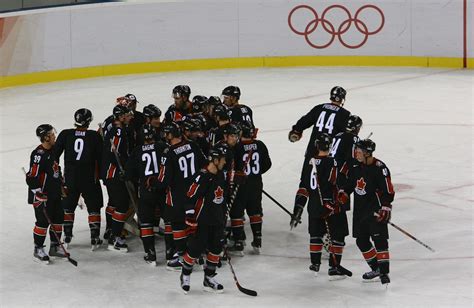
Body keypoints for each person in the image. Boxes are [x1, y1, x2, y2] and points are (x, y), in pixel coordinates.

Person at [290, 133, 351, 279]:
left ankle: (315, 264)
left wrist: (299, 207)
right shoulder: (332, 162)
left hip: (314, 206)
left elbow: (304, 188)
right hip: (330, 207)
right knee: (339, 235)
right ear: (330, 146)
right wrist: (332, 203)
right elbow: (335, 183)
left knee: (316, 234)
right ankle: (334, 267)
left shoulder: (309, 163)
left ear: (316, 146)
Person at [337, 139, 395, 285]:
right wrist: (344, 192)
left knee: (380, 241)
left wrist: (386, 207)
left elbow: (388, 190)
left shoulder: (380, 168)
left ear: (367, 153)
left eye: (359, 151)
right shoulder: (356, 166)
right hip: (360, 212)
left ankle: (384, 273)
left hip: (375, 211)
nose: (356, 152)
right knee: (361, 241)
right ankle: (376, 268)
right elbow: (350, 184)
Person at [154, 122, 206, 270]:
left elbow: (164, 180)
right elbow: (205, 165)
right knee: (194, 223)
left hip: (177, 196)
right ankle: (196, 253)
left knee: (178, 224)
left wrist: (153, 182)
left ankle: (182, 256)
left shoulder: (168, 153)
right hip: (195, 193)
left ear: (170, 135)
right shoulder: (193, 145)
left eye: (166, 134)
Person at [180, 144, 229, 294]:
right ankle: (185, 275)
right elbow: (189, 196)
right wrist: (190, 216)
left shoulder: (221, 175)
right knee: (195, 250)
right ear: (215, 160)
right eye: (222, 160)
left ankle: (209, 279)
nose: (225, 162)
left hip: (217, 220)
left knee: (216, 250)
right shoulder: (202, 176)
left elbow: (222, 197)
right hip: (202, 221)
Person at [54, 108, 104, 250]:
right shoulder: (94, 136)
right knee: (94, 208)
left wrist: (57, 176)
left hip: (71, 178)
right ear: (89, 121)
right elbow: (101, 158)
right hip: (89, 178)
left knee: (68, 207)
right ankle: (94, 238)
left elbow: (54, 156)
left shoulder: (65, 134)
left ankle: (67, 235)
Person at [125, 124, 168, 265]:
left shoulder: (137, 151)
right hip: (162, 190)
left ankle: (150, 254)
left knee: (146, 223)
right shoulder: (162, 146)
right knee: (169, 222)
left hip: (146, 192)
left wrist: (124, 175)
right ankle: (171, 253)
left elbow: (129, 175)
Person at [26, 124, 66, 263]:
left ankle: (55, 246)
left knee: (58, 219)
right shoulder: (38, 155)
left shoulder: (54, 150)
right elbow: (31, 176)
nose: (54, 136)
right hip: (43, 195)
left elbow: (56, 169)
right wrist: (38, 193)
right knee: (43, 222)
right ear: (46, 137)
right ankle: (38, 249)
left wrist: (61, 183)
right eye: (52, 134)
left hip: (54, 192)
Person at [230, 122, 272, 254]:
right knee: (255, 211)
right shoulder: (260, 145)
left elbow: (232, 167)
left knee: (236, 212)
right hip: (256, 183)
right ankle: (257, 239)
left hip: (240, 184)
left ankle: (238, 242)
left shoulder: (236, 147)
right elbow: (267, 164)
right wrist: (255, 174)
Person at [101, 105, 134, 252]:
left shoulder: (112, 129)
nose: (130, 117)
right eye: (127, 115)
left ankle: (109, 230)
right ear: (121, 117)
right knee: (122, 204)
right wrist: (125, 168)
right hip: (114, 174)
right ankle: (115, 238)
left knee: (114, 202)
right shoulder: (119, 131)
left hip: (108, 173)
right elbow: (116, 154)